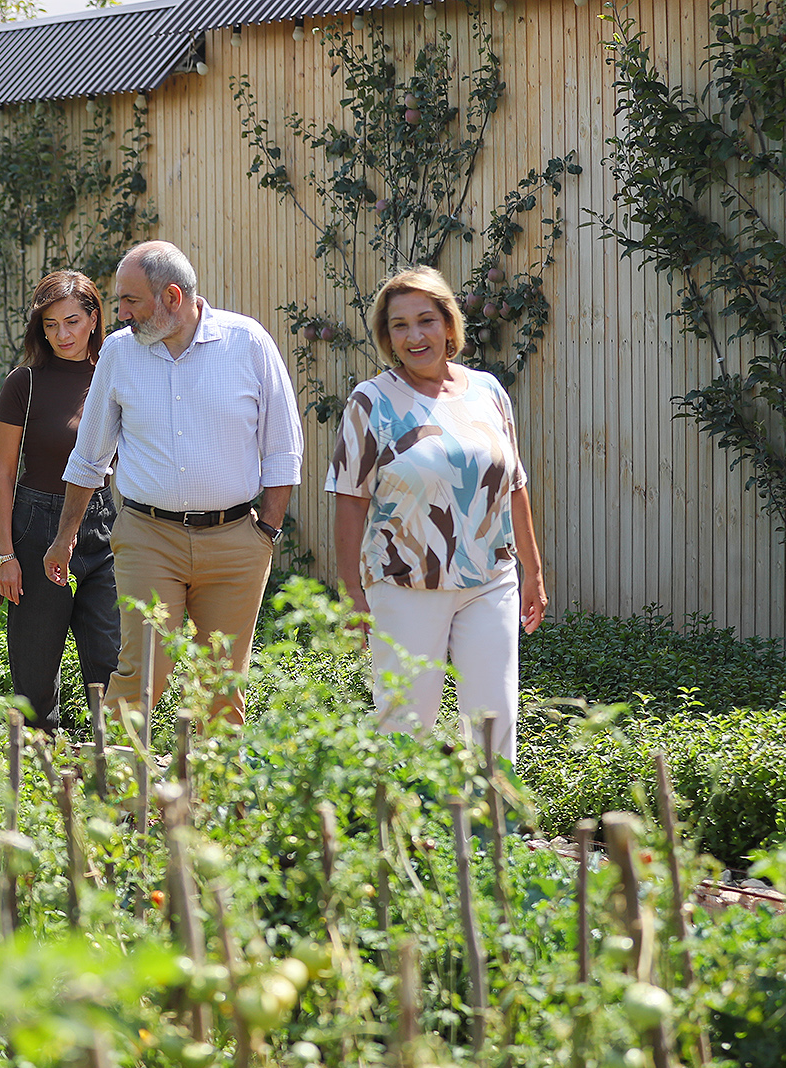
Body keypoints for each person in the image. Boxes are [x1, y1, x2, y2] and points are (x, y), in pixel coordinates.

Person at [45, 241, 302, 725]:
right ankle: (115, 772)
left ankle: (213, 776)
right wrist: (64, 538)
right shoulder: (119, 352)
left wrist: (265, 533)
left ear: (172, 297)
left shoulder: (247, 343)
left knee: (221, 683)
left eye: (130, 301)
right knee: (143, 670)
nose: (120, 314)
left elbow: (283, 448)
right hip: (148, 536)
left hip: (234, 542)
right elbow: (90, 455)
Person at [327, 265, 547, 763]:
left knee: (496, 719)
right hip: (405, 585)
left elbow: (513, 485)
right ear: (388, 337)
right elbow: (348, 500)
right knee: (406, 725)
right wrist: (352, 593)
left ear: (449, 325)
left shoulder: (488, 392)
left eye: (425, 320)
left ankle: (494, 810)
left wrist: (532, 571)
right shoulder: (371, 402)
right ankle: (403, 813)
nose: (414, 336)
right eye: (399, 325)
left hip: (490, 580)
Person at [0, 270, 119, 732]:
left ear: (93, 318)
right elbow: (4, 474)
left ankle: (111, 760)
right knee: (35, 665)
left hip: (102, 524)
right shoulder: (23, 383)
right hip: (36, 524)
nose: (61, 334)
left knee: (109, 656)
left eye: (71, 321)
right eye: (50, 325)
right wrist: (5, 556)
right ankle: (39, 764)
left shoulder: (113, 376)